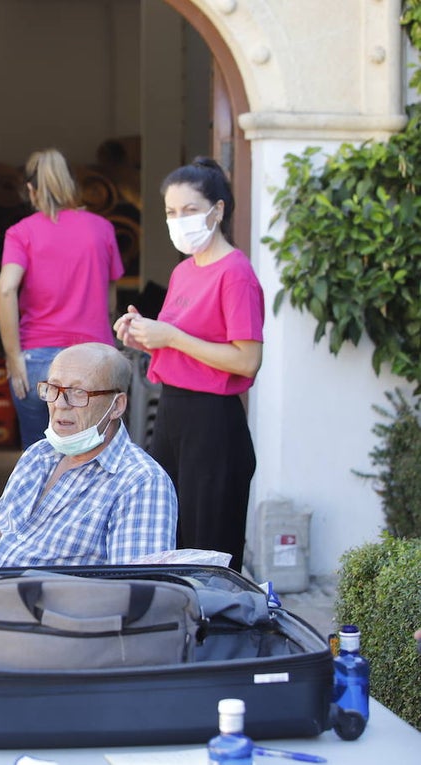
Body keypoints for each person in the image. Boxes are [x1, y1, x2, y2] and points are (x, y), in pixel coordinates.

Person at [113, 157, 263, 572]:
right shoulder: (183, 272)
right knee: (168, 537)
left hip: (212, 422)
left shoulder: (236, 273)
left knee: (207, 550)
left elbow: (247, 360)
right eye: (171, 212)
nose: (179, 221)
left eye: (190, 211)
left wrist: (171, 336)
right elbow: (182, 347)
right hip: (173, 415)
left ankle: (214, 634)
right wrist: (142, 335)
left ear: (217, 210)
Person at [0, 343, 176, 569]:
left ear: (116, 406)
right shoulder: (39, 455)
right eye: (53, 389)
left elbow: (134, 597)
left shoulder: (142, 483)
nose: (59, 404)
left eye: (78, 393)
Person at [0, 148, 125, 449]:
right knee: (97, 457)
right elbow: (109, 299)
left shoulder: (20, 233)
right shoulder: (102, 229)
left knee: (39, 458)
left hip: (38, 363)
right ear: (70, 183)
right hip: (95, 359)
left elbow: (5, 289)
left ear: (31, 189)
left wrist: (14, 356)